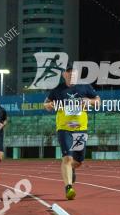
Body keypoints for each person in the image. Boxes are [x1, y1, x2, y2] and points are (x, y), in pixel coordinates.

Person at [43, 66, 100, 200]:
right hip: (64, 128)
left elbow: (98, 101)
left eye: (74, 75)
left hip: (80, 128)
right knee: (67, 158)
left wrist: (90, 101)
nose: (72, 78)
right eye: (69, 76)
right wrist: (49, 106)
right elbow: (46, 104)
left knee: (78, 161)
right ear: (64, 75)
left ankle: (71, 169)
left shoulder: (85, 87)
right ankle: (69, 187)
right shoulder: (57, 90)